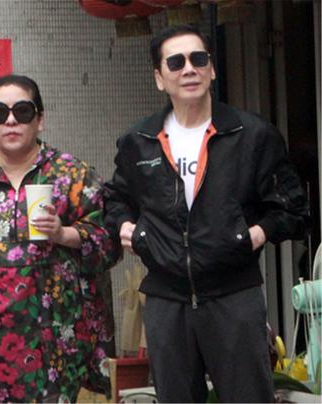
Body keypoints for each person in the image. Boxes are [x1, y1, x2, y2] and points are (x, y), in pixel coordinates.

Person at [104, 24, 309, 403]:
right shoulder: (139, 141)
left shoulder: (252, 134)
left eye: (198, 59)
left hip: (234, 294)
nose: (189, 69)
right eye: (176, 62)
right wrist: (127, 227)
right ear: (159, 78)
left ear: (212, 70)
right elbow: (115, 199)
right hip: (166, 297)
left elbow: (293, 206)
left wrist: (256, 233)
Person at [0, 74, 118, 402]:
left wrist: (63, 234)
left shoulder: (71, 174)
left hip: (63, 342)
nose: (11, 121)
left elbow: (109, 241)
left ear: (40, 119)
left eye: (22, 111)